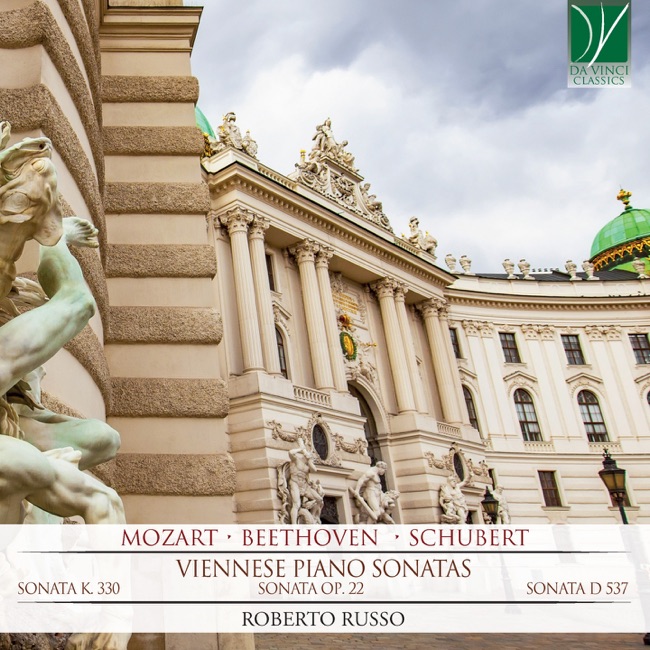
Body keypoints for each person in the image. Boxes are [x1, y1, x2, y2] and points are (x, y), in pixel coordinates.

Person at [287, 438, 323, 524]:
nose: (313, 459)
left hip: (304, 486)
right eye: (312, 457)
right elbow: (290, 452)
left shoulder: (308, 466)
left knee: (319, 499)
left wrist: (309, 461)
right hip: (295, 483)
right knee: (296, 504)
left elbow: (314, 470)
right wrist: (301, 449)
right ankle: (294, 525)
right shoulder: (296, 460)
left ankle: (313, 516)